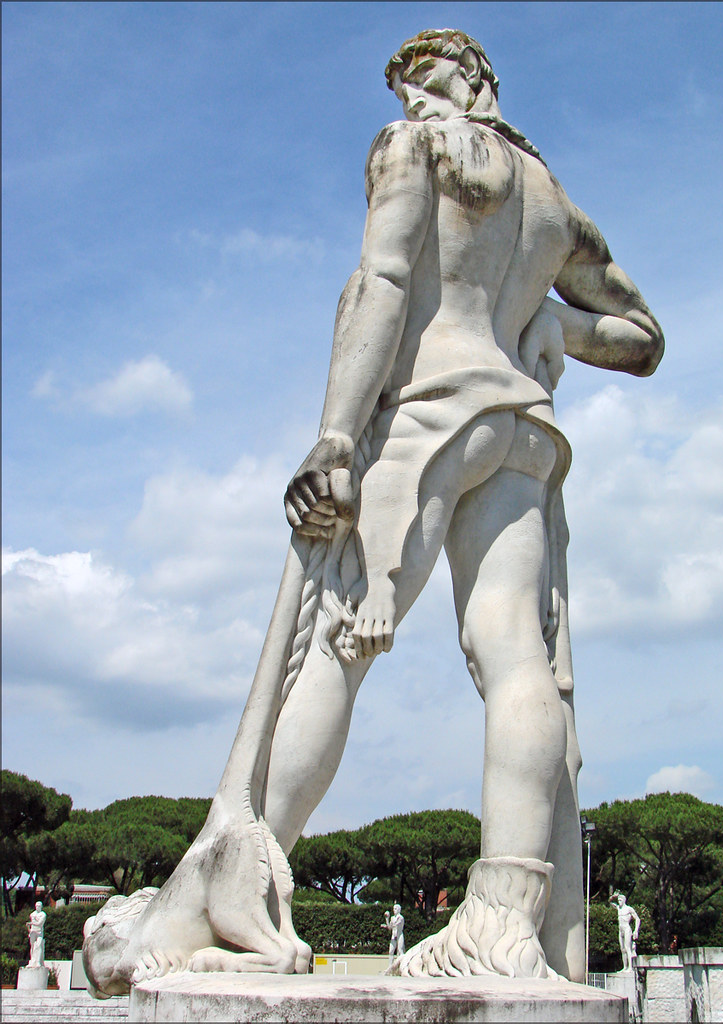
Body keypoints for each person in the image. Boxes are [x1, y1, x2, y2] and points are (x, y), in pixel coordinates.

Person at [81, 28, 664, 994]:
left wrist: (337, 439)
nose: (412, 104)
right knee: (516, 658)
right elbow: (642, 339)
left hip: (429, 416)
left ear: (466, 80)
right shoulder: (553, 199)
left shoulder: (416, 150)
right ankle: (504, 926)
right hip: (522, 431)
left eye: (421, 84)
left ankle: (240, 887)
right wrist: (541, 322)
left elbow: (385, 281)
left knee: (339, 648)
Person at [609, 892, 640, 971]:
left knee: (627, 948)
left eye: (620, 900)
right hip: (621, 930)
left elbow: (637, 919)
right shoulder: (618, 908)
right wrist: (613, 896)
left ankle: (630, 967)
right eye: (618, 900)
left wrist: (636, 930)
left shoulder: (629, 909)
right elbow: (610, 902)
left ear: (624, 901)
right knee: (622, 949)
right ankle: (625, 966)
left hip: (627, 928)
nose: (619, 901)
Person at [26, 901, 47, 968]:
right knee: (32, 946)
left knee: (39, 945)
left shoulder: (43, 914)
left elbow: (39, 924)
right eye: (37, 906)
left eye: (39, 906)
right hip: (33, 931)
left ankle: (38, 961)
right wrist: (29, 928)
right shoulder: (32, 914)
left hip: (39, 932)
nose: (38, 907)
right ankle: (32, 960)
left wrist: (31, 923)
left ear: (41, 907)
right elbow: (31, 926)